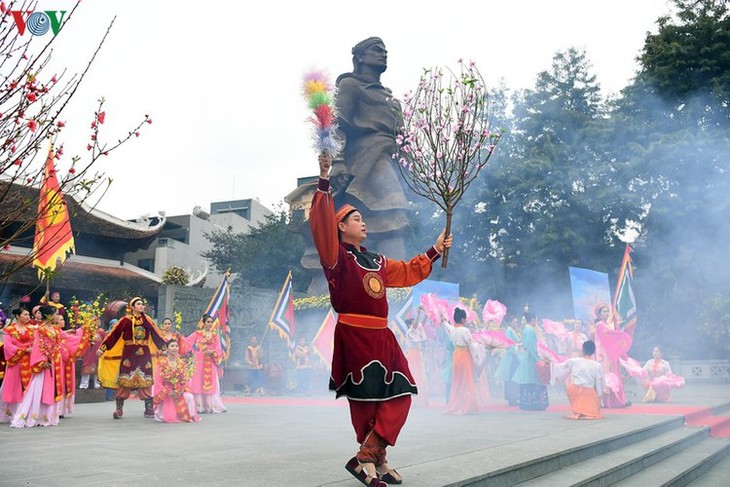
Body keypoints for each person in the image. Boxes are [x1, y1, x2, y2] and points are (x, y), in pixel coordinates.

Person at [311, 151, 452, 487]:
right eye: (356, 218)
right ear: (341, 227)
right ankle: (375, 463)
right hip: (355, 333)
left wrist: (433, 250)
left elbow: (406, 272)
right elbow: (320, 227)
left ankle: (367, 455)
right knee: (366, 402)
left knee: (401, 393)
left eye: (362, 218)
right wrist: (324, 177)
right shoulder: (337, 258)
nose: (364, 222)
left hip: (383, 336)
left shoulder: (375, 260)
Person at [302, 37, 410, 295]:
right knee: (384, 222)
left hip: (388, 162)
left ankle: (396, 292)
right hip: (363, 162)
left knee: (391, 226)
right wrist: (337, 161)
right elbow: (338, 124)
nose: (383, 55)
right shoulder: (350, 85)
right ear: (360, 56)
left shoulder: (391, 100)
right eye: (376, 50)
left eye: (385, 51)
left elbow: (405, 140)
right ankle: (393, 292)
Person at [9, 306, 87, 428]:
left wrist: (85, 335)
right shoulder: (40, 330)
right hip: (45, 364)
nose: (57, 316)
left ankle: (48, 416)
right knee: (39, 389)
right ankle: (34, 415)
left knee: (52, 389)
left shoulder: (56, 330)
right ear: (50, 316)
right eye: (56, 314)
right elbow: (37, 346)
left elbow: (70, 339)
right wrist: (41, 361)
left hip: (56, 362)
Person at [96, 297, 167, 419]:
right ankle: (119, 410)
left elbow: (157, 334)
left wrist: (164, 348)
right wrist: (103, 348)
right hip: (129, 353)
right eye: (139, 304)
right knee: (124, 381)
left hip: (144, 353)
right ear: (132, 307)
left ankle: (148, 408)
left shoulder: (148, 320)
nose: (141, 306)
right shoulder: (125, 320)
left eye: (142, 304)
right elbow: (114, 334)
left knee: (146, 380)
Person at [442, 308, 482, 415]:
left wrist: (443, 319)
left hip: (456, 356)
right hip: (464, 356)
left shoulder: (453, 330)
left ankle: (457, 405)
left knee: (458, 381)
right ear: (463, 319)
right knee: (466, 380)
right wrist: (481, 348)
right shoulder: (465, 330)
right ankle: (467, 406)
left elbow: (446, 325)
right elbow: (472, 346)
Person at [551, 340, 605, 420]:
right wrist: (600, 396)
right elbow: (600, 382)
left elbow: (560, 368)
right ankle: (583, 412)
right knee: (594, 413)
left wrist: (550, 364)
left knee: (573, 389)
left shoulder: (574, 361)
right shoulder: (597, 366)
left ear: (582, 350)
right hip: (588, 392)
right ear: (594, 352)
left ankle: (578, 412)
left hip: (574, 390)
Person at [593, 302, 632, 408]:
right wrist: (618, 334)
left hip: (610, 353)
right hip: (603, 354)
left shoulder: (607, 325)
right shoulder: (599, 325)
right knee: (606, 376)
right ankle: (605, 402)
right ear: (599, 314)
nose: (606, 313)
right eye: (604, 311)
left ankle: (618, 401)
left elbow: (612, 338)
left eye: (607, 311)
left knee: (615, 373)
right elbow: (606, 338)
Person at [186, 314, 226, 414]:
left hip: (210, 360)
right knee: (197, 381)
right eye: (207, 322)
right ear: (203, 323)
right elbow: (187, 342)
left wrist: (213, 352)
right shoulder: (197, 334)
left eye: (211, 322)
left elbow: (218, 349)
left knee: (210, 381)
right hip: (199, 360)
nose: (209, 324)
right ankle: (199, 407)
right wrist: (178, 338)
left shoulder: (215, 336)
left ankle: (209, 406)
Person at [0, 308, 35, 422]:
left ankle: (26, 412)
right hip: (16, 361)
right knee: (14, 386)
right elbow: (8, 347)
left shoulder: (31, 329)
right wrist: (25, 349)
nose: (27, 316)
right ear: (18, 316)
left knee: (28, 386)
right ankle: (11, 413)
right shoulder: (9, 330)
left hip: (29, 361)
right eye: (25, 314)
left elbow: (36, 343)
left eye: (28, 314)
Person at [153, 338, 199, 423]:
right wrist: (168, 391)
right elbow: (158, 382)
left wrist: (182, 389)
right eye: (172, 346)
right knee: (168, 414)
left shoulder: (181, 363)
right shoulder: (161, 363)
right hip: (166, 392)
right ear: (167, 349)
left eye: (176, 346)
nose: (175, 348)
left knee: (190, 397)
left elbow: (185, 380)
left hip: (179, 390)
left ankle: (188, 414)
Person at [512, 313, 548, 411]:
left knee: (528, 381)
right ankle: (534, 403)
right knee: (532, 380)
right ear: (532, 319)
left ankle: (527, 403)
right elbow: (531, 346)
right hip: (531, 358)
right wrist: (538, 358)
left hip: (528, 356)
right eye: (535, 319)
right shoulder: (530, 330)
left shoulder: (526, 329)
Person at [494, 316, 521, 406]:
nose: (516, 324)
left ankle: (513, 397)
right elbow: (510, 345)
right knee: (511, 377)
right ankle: (512, 398)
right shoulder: (509, 331)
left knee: (512, 377)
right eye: (515, 322)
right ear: (510, 322)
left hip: (513, 356)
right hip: (511, 357)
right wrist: (517, 348)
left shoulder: (512, 331)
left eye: (517, 322)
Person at [405, 317, 428, 407]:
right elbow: (415, 326)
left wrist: (425, 315)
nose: (415, 324)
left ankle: (420, 399)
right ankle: (414, 399)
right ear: (408, 325)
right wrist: (419, 314)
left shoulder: (416, 332)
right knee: (415, 376)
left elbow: (421, 325)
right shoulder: (410, 332)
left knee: (421, 377)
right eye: (412, 323)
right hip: (412, 355)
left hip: (418, 355)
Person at [79, 325, 106, 389]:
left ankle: (97, 385)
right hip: (88, 353)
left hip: (98, 353)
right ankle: (84, 385)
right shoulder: (86, 330)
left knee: (98, 369)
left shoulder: (101, 332)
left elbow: (105, 341)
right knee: (86, 369)